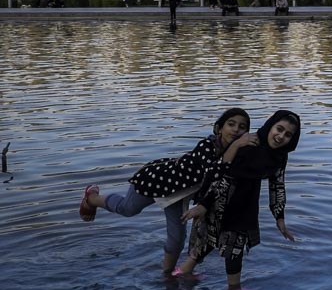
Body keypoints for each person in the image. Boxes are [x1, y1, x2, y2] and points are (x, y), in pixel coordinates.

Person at [78, 108, 252, 275]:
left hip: (177, 195)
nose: (236, 130)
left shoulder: (238, 155)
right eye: (231, 124)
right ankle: (92, 197)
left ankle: (167, 274)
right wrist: (236, 146)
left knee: (177, 238)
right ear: (219, 128)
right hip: (156, 180)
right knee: (128, 209)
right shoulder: (207, 145)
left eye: (242, 127)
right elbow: (214, 172)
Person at [179, 110, 301, 290]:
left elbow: (277, 185)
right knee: (232, 248)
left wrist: (280, 218)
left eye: (288, 134)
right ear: (270, 126)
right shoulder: (250, 144)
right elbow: (224, 176)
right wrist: (204, 205)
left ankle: (181, 273)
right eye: (279, 129)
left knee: (214, 243)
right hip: (222, 201)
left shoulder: (280, 155)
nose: (281, 136)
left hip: (246, 203)